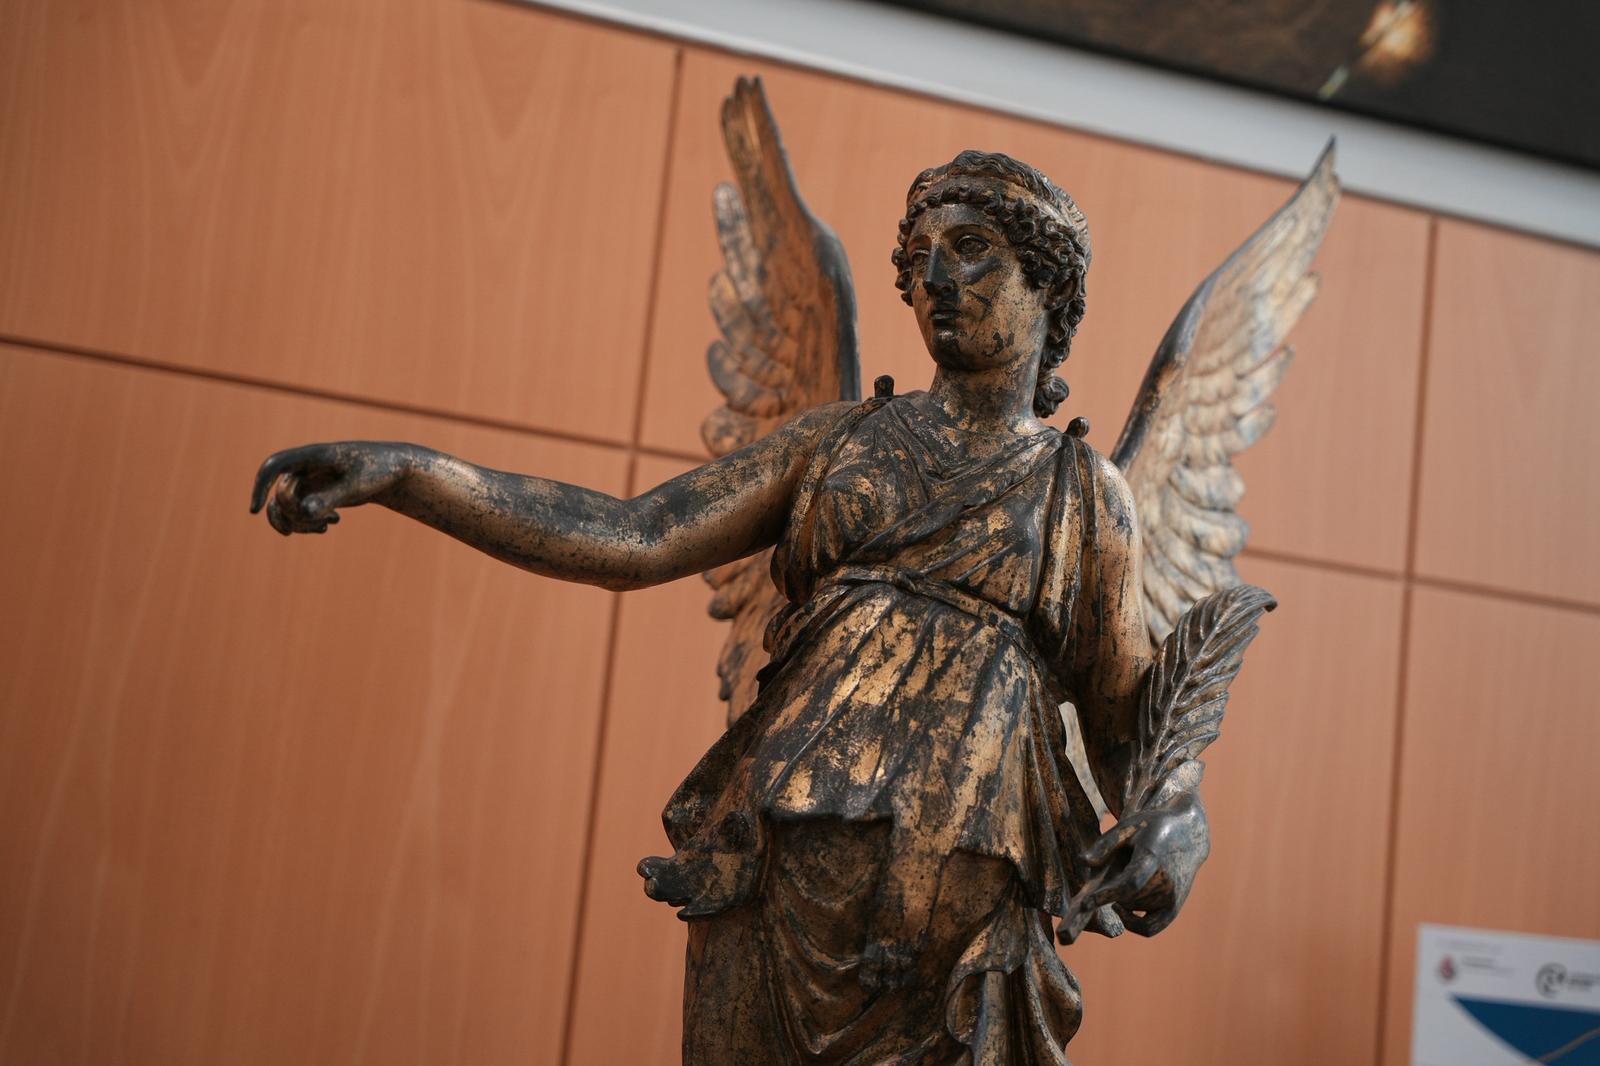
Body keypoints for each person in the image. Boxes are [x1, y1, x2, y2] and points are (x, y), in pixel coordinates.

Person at [252, 152, 1209, 1064]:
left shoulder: (1086, 496)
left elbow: (1133, 737)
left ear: (1048, 284)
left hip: (962, 918)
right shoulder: (838, 442)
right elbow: (633, 535)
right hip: (781, 870)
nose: (934, 280)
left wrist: (1175, 837)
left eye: (970, 251)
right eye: (919, 258)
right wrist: (415, 476)